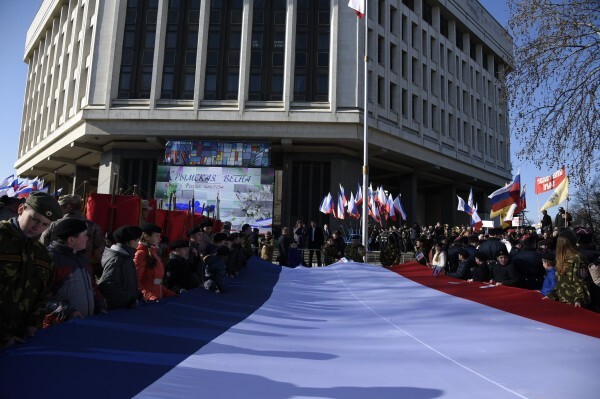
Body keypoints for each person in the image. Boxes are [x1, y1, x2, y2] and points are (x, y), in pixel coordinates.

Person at [0, 192, 62, 348]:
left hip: (22, 340)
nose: (37, 228)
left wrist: (33, 324)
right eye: (34, 219)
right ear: (21, 209)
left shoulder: (43, 254)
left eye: (45, 224)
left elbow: (44, 293)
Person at [43, 218, 107, 327]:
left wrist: (100, 304)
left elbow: (92, 285)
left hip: (85, 322)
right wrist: (67, 311)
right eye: (85, 235)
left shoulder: (82, 258)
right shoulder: (50, 260)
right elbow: (42, 297)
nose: (88, 238)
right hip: (60, 326)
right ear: (71, 240)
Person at [40, 194, 105, 278]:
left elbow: (42, 247)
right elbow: (99, 254)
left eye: (61, 207)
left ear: (69, 207)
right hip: (84, 272)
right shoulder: (94, 226)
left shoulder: (53, 224)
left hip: (56, 271)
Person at [98, 225, 143, 310]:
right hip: (117, 311)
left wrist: (137, 294)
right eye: (138, 240)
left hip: (125, 308)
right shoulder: (117, 260)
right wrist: (130, 299)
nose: (139, 243)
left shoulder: (126, 257)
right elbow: (108, 285)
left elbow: (127, 282)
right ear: (131, 242)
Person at [547, 229, 590, 307]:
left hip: (574, 302)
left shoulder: (577, 258)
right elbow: (560, 282)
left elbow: (581, 281)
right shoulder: (560, 259)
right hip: (562, 301)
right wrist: (551, 295)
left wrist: (579, 299)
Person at [134, 222, 177, 302]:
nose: (160, 239)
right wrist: (150, 296)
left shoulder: (154, 253)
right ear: (146, 236)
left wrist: (168, 293)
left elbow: (157, 283)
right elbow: (135, 282)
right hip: (146, 301)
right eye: (157, 236)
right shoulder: (140, 254)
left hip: (156, 299)